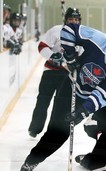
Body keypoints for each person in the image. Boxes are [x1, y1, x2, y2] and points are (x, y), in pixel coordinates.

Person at [20, 23, 106, 171]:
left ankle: (96, 166)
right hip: (71, 87)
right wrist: (69, 55)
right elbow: (69, 29)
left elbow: (105, 94)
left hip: (93, 96)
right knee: (59, 131)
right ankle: (32, 160)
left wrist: (84, 110)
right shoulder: (96, 39)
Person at [28, 7, 81, 138]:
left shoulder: (82, 34)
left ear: (79, 21)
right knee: (43, 100)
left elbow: (82, 54)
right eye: (70, 19)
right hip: (50, 72)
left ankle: (54, 131)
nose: (73, 21)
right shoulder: (56, 30)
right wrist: (53, 56)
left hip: (67, 74)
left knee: (60, 104)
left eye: (76, 19)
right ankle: (35, 128)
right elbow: (42, 46)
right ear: (66, 19)